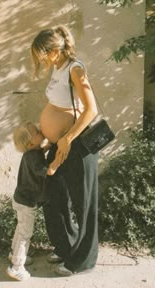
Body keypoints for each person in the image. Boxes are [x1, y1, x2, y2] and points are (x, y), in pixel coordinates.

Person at [31, 25, 99, 276]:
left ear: (53, 50)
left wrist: (67, 138)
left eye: (41, 53)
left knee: (84, 204)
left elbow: (91, 109)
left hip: (78, 145)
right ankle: (66, 245)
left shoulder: (75, 68)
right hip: (60, 144)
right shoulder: (57, 69)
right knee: (53, 197)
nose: (39, 58)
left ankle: (83, 260)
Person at [6, 121, 59, 281]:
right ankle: (16, 267)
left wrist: (47, 147)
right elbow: (48, 171)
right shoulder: (33, 158)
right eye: (36, 132)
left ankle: (13, 254)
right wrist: (58, 159)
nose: (39, 130)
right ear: (30, 143)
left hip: (21, 198)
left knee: (20, 229)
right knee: (25, 234)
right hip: (27, 202)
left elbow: (38, 154)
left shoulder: (32, 152)